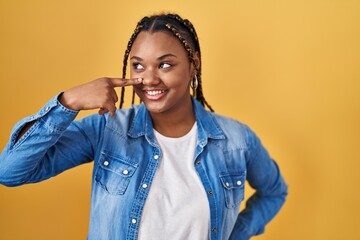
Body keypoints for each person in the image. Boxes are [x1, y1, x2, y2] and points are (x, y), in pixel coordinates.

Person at [0, 13, 288, 240]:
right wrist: (68, 101)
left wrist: (234, 234)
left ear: (193, 64)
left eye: (164, 65)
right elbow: (10, 171)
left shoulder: (237, 140)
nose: (148, 79)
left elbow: (274, 191)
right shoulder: (108, 130)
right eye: (138, 66)